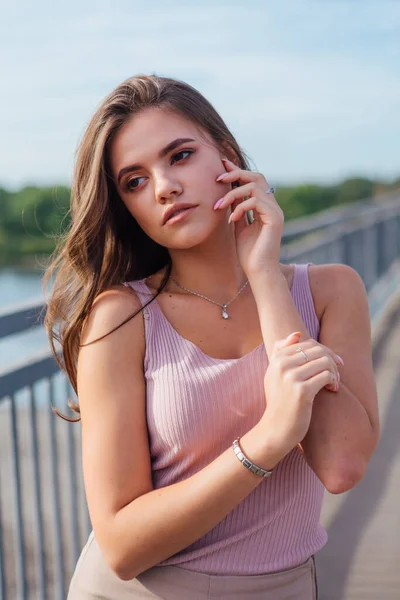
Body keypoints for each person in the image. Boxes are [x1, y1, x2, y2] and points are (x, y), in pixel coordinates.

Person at [44, 74, 379, 599]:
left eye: (179, 156)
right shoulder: (121, 317)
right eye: (134, 181)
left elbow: (340, 465)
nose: (163, 187)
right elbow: (122, 546)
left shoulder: (332, 291)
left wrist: (265, 274)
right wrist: (266, 442)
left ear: (226, 155)